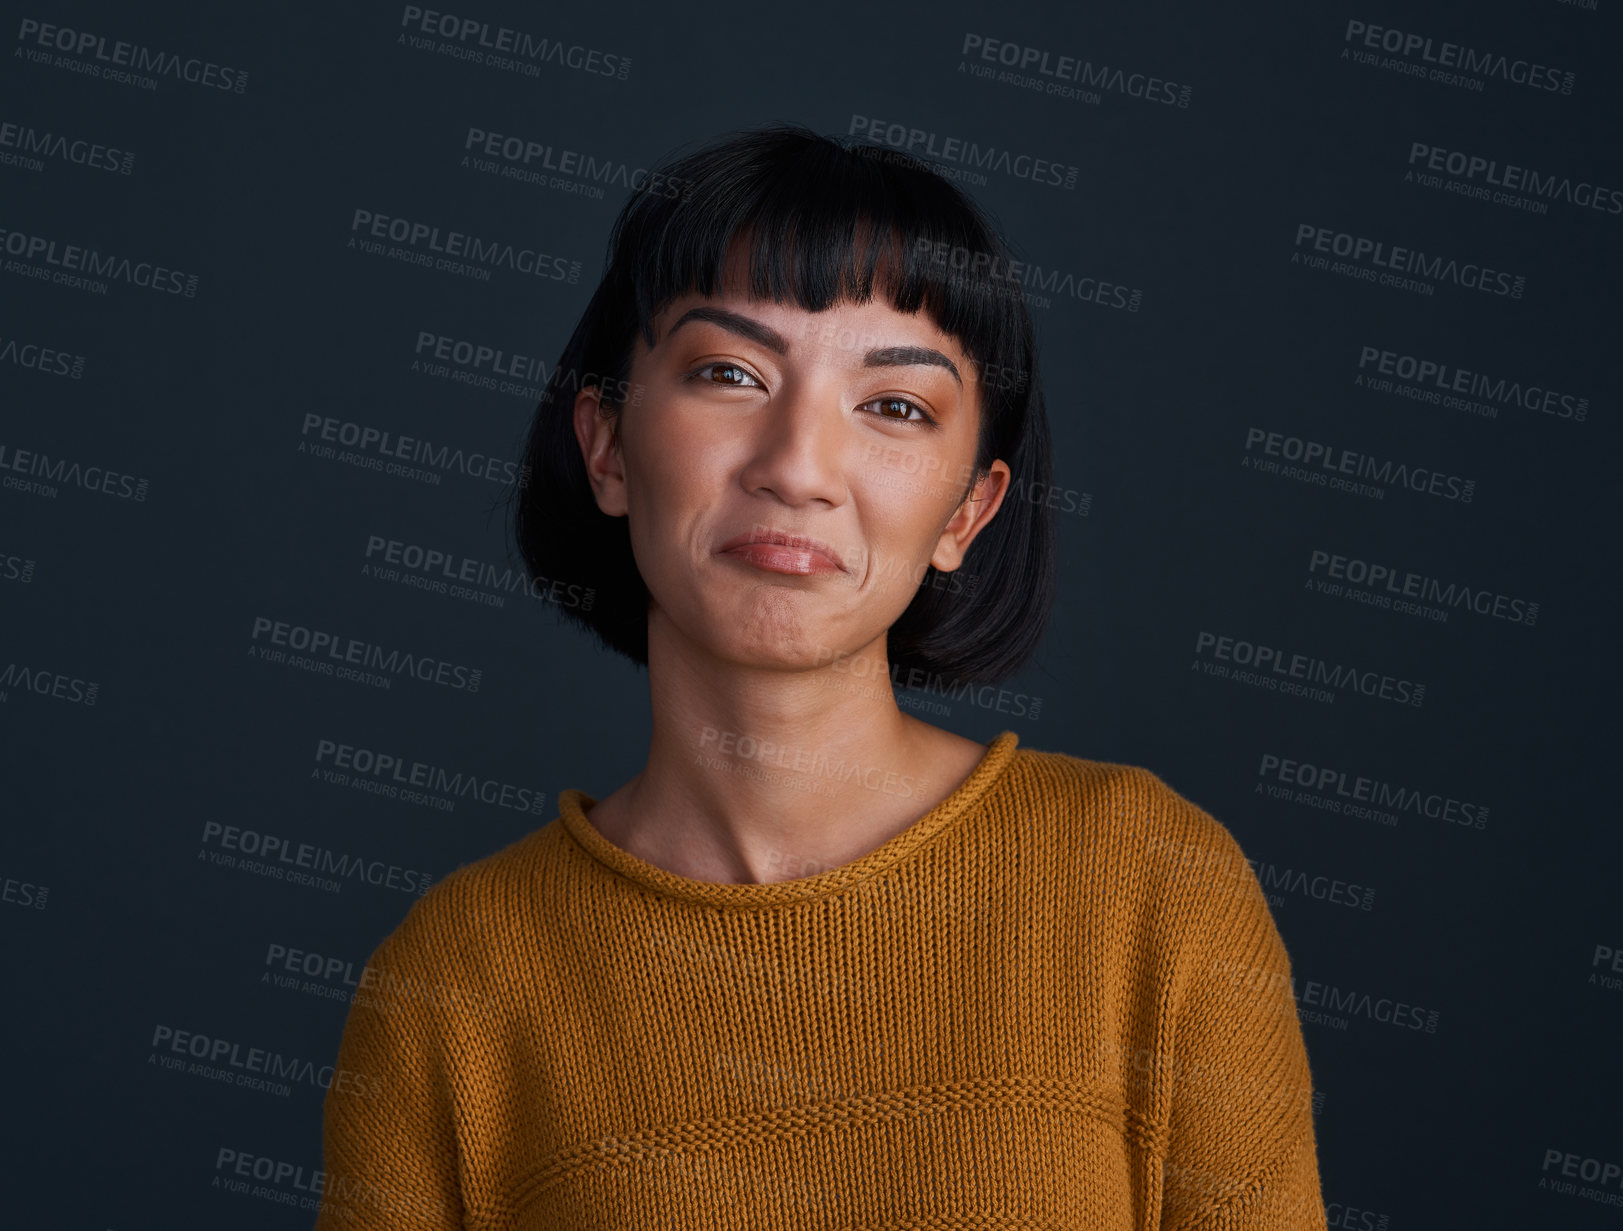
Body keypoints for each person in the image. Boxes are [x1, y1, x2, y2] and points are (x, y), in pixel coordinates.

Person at [313, 124, 1327, 1229]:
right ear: (606, 447)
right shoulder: (453, 982)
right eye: (728, 373)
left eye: (894, 405)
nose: (797, 465)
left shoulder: (1152, 886)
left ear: (970, 511)